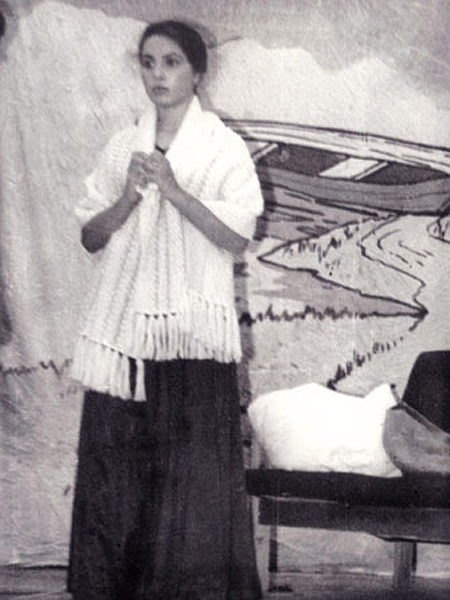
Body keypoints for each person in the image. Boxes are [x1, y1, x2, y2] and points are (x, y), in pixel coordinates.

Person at [68, 19, 264, 600]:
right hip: (125, 340)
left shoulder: (223, 147)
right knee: (115, 476)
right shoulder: (121, 145)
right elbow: (90, 236)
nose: (158, 74)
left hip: (190, 340)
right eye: (148, 62)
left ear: (197, 72)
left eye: (172, 62)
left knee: (193, 489)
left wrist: (176, 192)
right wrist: (128, 197)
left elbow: (237, 235)